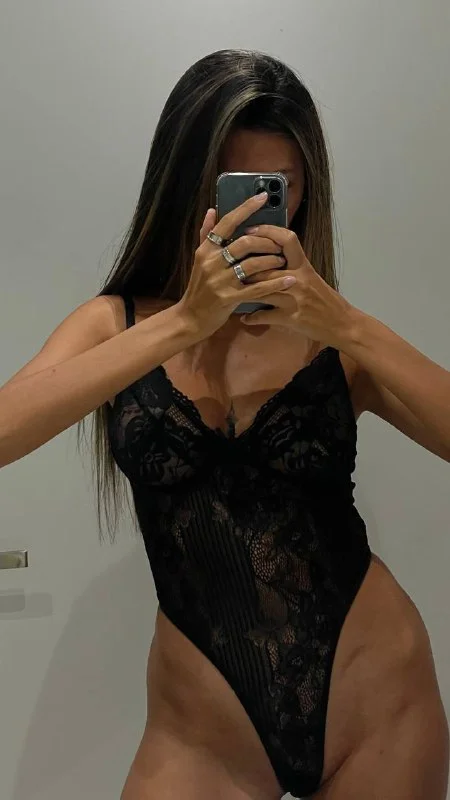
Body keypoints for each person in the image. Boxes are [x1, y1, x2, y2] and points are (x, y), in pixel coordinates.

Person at [0, 48, 448, 800]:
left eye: (279, 188)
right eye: (233, 187)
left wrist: (349, 325)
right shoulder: (115, 325)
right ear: (184, 183)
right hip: (202, 734)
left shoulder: (335, 338)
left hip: (377, 698)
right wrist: (184, 321)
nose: (255, 214)